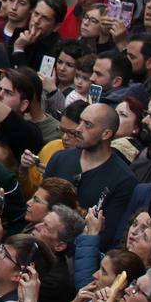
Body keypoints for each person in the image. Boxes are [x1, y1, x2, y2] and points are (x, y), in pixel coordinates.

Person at [42, 102, 136, 250]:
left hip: (78, 256)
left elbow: (107, 236)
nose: (78, 129)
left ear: (106, 134)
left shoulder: (123, 180)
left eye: (88, 125)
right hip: (42, 241)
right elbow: (40, 203)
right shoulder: (60, 158)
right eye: (80, 121)